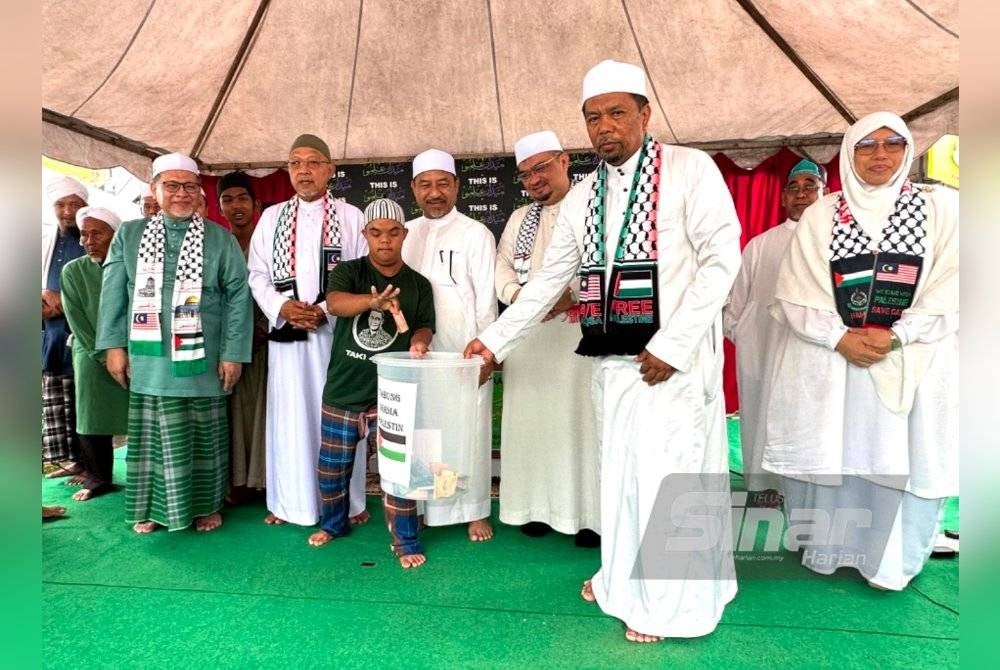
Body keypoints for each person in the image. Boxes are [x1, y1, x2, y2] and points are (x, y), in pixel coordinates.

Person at [465, 60, 741, 642]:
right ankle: (620, 579)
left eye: (617, 112)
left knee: (668, 478)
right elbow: (549, 280)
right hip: (611, 362)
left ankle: (669, 607)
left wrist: (673, 344)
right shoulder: (586, 195)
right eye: (593, 117)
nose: (604, 126)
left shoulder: (690, 170)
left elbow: (722, 261)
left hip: (671, 365)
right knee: (620, 477)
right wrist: (494, 341)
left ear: (645, 113)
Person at [763, 112, 958, 591]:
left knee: (904, 458)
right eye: (866, 145)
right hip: (834, 362)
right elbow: (796, 291)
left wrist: (899, 334)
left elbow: (956, 283)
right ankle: (827, 550)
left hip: (912, 360)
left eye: (892, 144)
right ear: (849, 153)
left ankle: (890, 564)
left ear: (908, 151)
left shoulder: (941, 209)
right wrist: (838, 337)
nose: (880, 155)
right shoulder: (822, 215)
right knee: (834, 453)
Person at [96, 152, 252, 533]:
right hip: (149, 359)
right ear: (154, 189)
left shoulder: (220, 239)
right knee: (153, 439)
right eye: (171, 185)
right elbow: (112, 294)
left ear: (199, 193)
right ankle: (153, 509)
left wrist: (233, 353)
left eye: (189, 186)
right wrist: (114, 347)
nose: (181, 193)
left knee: (204, 438)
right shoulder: (129, 236)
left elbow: (238, 297)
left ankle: (205, 506)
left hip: (203, 359)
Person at [248, 134, 369, 528]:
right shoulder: (271, 218)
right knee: (291, 419)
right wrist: (283, 308)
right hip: (288, 340)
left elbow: (362, 273)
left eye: (313, 162)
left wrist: (323, 311)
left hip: (337, 338)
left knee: (341, 419)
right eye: (295, 162)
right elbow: (257, 274)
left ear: (330, 169)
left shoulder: (351, 217)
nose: (304, 170)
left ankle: (349, 503)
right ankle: (290, 503)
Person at [308, 199, 435, 569]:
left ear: (404, 234)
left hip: (392, 394)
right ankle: (333, 525)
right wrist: (372, 301)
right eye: (376, 232)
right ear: (365, 234)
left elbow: (425, 325)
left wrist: (420, 342)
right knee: (332, 470)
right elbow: (335, 304)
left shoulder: (418, 284)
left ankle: (406, 541)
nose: (385, 240)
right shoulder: (349, 271)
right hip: (344, 390)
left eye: (393, 232)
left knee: (399, 472)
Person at [494, 130, 600, 545]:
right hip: (530, 340)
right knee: (532, 426)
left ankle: (588, 517)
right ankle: (534, 508)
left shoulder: (593, 208)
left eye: (541, 168)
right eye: (525, 174)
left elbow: (606, 266)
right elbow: (502, 268)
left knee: (581, 425)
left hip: (578, 338)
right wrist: (523, 298)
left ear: (564, 161)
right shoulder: (519, 219)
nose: (534, 179)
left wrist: (570, 296)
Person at [402, 149, 497, 542]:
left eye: (443, 183)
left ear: (457, 186)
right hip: (419, 354)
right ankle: (429, 504)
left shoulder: (476, 233)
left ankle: (472, 510)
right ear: (414, 188)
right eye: (425, 184)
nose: (435, 192)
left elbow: (486, 299)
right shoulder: (404, 233)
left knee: (467, 430)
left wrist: (488, 352)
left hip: (464, 352)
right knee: (425, 431)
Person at [723, 159, 827, 506]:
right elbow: (735, 303)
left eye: (810, 186)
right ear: (782, 198)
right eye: (793, 188)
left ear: (826, 193)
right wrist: (747, 340)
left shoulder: (836, 243)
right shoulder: (760, 245)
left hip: (819, 353)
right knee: (763, 414)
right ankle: (764, 487)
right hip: (763, 350)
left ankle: (809, 490)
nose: (801, 194)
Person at [60, 206, 129, 501]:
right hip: (89, 351)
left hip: (132, 353)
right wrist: (105, 356)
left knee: (140, 415)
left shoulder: (130, 265)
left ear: (115, 235)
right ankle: (98, 477)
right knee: (91, 415)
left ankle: (146, 477)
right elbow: (77, 320)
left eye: (97, 234)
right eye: (84, 235)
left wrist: (126, 353)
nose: (88, 241)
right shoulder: (73, 271)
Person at [218, 171, 268, 497]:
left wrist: (260, 330)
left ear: (256, 204)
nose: (236, 206)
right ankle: (236, 482)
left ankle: (263, 481)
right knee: (231, 413)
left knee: (261, 410)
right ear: (220, 207)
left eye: (242, 198)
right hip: (226, 346)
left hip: (265, 343)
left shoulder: (268, 243)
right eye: (228, 200)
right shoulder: (217, 246)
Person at [42, 176, 88, 480]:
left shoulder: (92, 237)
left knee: (82, 403)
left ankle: (89, 464)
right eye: (61, 204)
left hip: (81, 335)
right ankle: (70, 460)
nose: (68, 211)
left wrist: (65, 301)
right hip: (51, 336)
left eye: (75, 204)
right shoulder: (43, 240)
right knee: (57, 403)